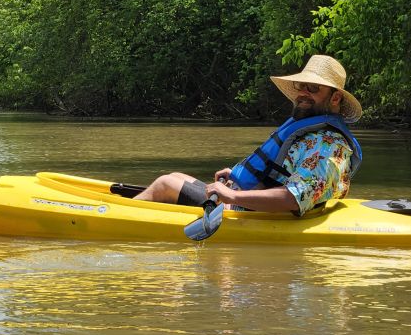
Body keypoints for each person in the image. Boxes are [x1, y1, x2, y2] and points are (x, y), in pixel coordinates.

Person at [133, 55, 363, 215]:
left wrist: (231, 196)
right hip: (249, 202)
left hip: (255, 214)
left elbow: (294, 198)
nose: (303, 93)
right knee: (175, 176)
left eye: (313, 88)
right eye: (301, 86)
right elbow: (279, 174)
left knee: (165, 184)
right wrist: (238, 178)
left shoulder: (329, 145)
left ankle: (117, 223)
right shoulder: (313, 134)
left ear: (335, 98)